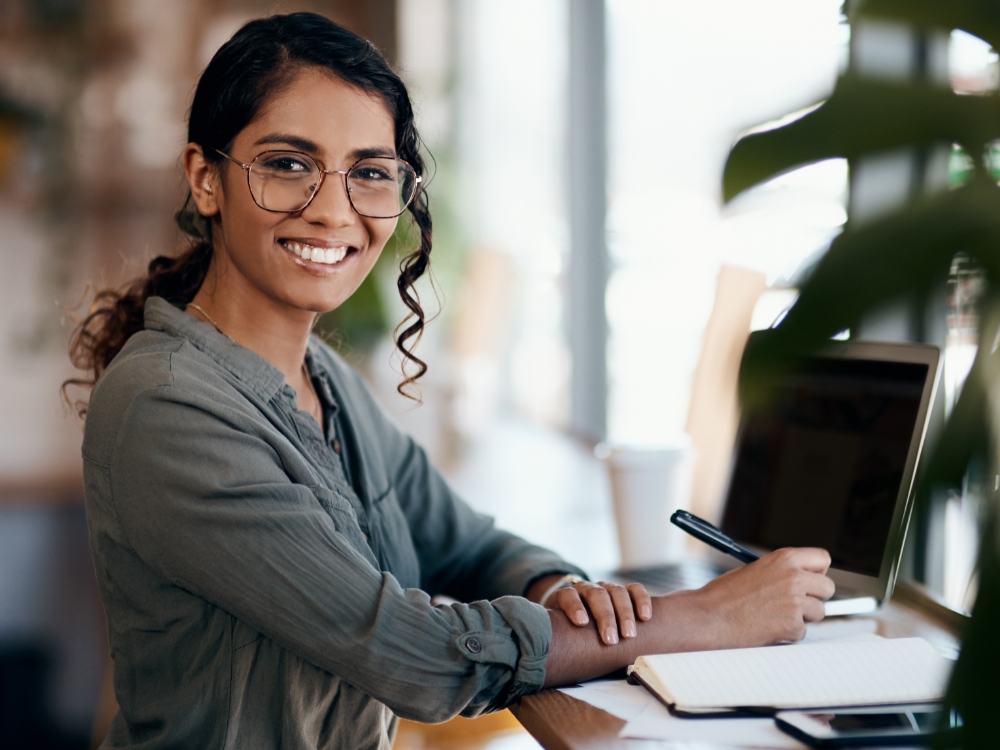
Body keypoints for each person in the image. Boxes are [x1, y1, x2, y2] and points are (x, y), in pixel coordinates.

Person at [68, 12, 836, 750]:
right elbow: (417, 657)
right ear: (207, 179)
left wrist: (561, 591)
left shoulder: (321, 379)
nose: (334, 210)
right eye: (289, 164)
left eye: (369, 173)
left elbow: (466, 544)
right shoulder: (167, 407)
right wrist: (703, 618)